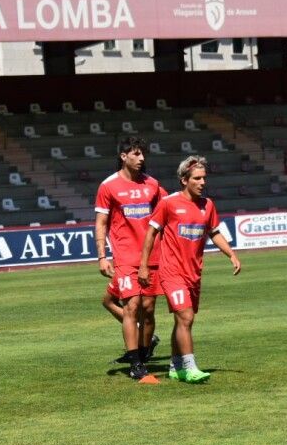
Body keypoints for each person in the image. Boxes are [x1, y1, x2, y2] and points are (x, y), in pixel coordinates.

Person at [139, 155, 241, 384]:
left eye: (204, 178)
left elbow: (214, 233)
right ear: (184, 180)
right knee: (185, 317)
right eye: (197, 178)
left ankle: (176, 367)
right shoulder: (168, 203)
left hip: (193, 273)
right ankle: (191, 367)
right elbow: (151, 233)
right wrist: (144, 266)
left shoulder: (208, 205)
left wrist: (231, 254)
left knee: (184, 319)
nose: (202, 182)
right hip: (171, 271)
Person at [94, 136, 164, 380]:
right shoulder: (108, 186)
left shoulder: (152, 184)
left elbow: (167, 210)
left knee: (148, 309)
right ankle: (135, 363)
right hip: (124, 256)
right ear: (123, 156)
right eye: (136, 154)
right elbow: (101, 222)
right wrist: (102, 255)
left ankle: (144, 354)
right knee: (131, 306)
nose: (141, 158)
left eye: (143, 154)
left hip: (152, 255)